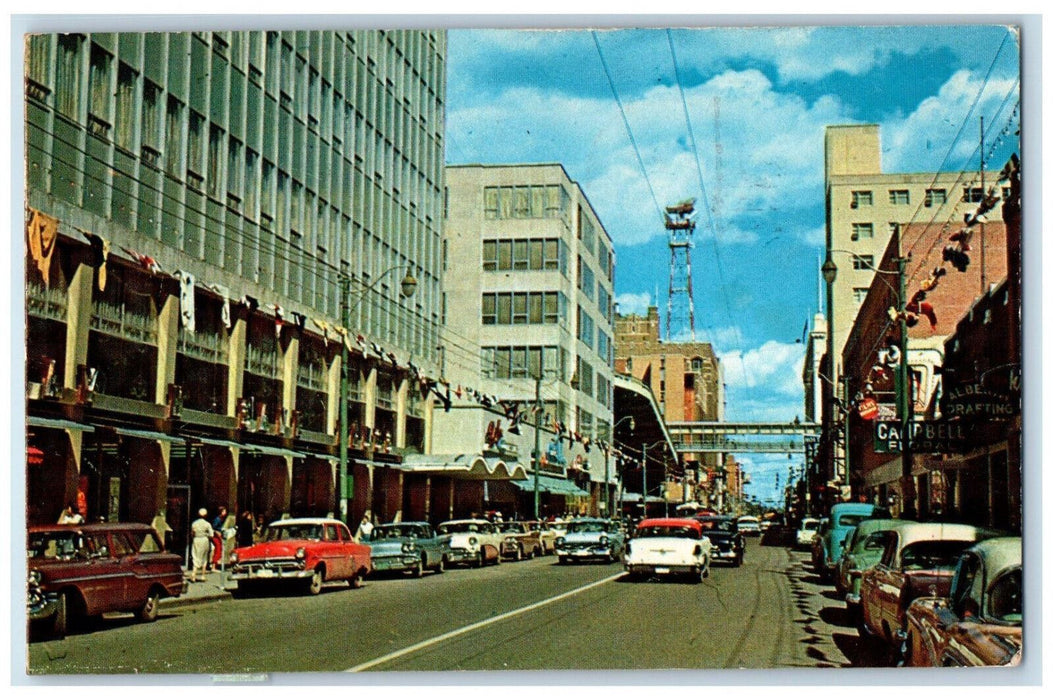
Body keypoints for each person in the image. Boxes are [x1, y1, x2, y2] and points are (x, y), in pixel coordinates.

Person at [189, 508, 213, 582]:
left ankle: (193, 574)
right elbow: (211, 535)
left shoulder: (194, 523)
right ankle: (203, 575)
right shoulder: (207, 524)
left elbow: (192, 533)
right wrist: (206, 535)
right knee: (204, 557)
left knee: (195, 556)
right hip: (204, 540)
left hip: (196, 540)